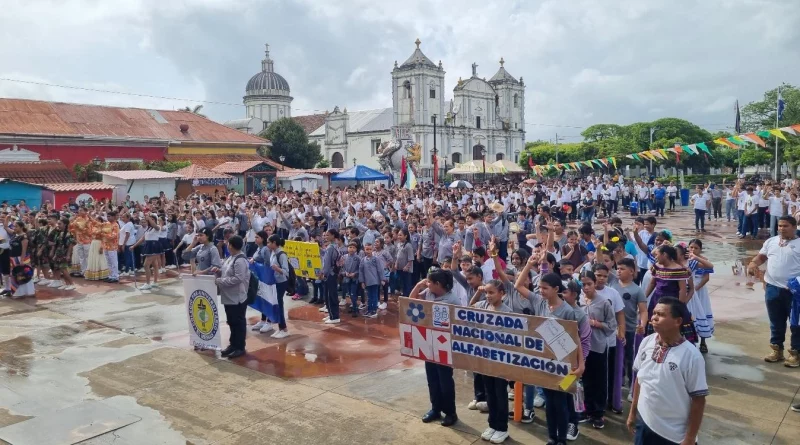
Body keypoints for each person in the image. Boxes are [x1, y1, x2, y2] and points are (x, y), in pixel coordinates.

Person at [627, 297, 708, 445]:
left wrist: (689, 438)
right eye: (654, 313)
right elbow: (640, 379)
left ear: (678, 321)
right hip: (645, 425)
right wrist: (632, 413)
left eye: (661, 315)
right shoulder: (646, 342)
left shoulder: (691, 356)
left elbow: (699, 399)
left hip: (674, 435)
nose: (654, 318)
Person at [410, 268, 462, 428]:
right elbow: (411, 302)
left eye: (429, 282)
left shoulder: (451, 300)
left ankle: (450, 412)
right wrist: (418, 286)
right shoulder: (430, 292)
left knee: (445, 380)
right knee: (432, 377)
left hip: (444, 344)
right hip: (429, 341)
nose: (427, 284)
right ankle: (435, 408)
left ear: (438, 284)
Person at [748, 216, 800, 367]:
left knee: (796, 323)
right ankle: (777, 350)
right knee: (776, 321)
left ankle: (796, 353)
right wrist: (753, 264)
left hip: (795, 292)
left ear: (794, 227)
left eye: (785, 226)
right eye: (780, 226)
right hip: (772, 288)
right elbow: (761, 257)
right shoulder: (771, 241)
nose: (782, 228)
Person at [471, 280, 512, 444]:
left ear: (502, 293)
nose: (488, 296)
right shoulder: (482, 306)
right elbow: (468, 308)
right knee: (489, 393)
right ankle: (492, 424)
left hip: (500, 361)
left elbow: (512, 340)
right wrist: (478, 292)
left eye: (491, 292)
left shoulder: (507, 312)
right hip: (485, 359)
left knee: (500, 393)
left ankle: (502, 428)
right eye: (486, 292)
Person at [216, 235, 250, 359]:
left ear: (231, 245)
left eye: (227, 243)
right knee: (231, 321)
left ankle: (240, 347)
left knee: (238, 322)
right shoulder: (231, 257)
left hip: (237, 297)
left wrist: (220, 281)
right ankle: (233, 344)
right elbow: (226, 271)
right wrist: (218, 271)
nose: (226, 244)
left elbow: (238, 278)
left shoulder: (240, 260)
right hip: (229, 296)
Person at [266, 234, 290, 338]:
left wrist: (277, 269)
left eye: (269, 242)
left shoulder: (281, 254)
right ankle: (280, 328)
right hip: (274, 282)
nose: (267, 244)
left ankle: (284, 329)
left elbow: (286, 271)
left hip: (281, 283)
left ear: (274, 243)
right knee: (275, 304)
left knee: (279, 305)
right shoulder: (272, 253)